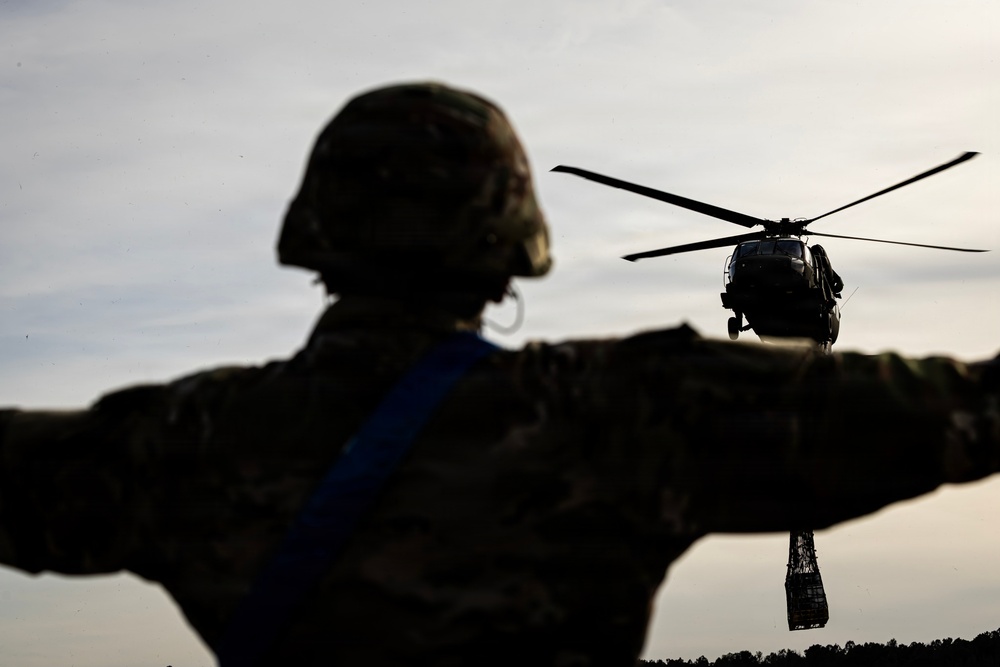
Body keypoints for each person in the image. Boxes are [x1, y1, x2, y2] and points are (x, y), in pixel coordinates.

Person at [0, 81, 998, 667]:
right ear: (509, 241)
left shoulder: (175, 439)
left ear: (317, 236)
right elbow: (967, 409)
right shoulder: (630, 410)